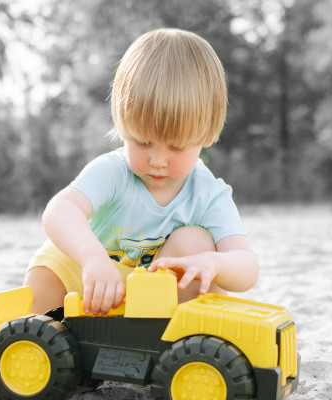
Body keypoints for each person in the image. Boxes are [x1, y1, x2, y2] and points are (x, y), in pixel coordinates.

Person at [26, 28, 259, 315]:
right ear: (122, 124)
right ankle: (52, 332)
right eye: (143, 142)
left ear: (207, 134)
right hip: (95, 292)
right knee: (50, 263)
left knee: (196, 243)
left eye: (176, 147)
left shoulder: (208, 195)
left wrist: (215, 263)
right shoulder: (113, 172)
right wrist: (92, 259)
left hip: (154, 306)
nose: (158, 160)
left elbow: (247, 266)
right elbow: (59, 209)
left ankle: (168, 342)